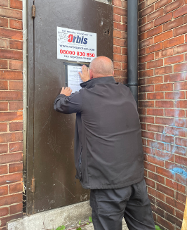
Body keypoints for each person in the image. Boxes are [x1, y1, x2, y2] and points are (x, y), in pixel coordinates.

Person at [54, 56, 155, 230]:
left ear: (91, 73)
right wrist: (89, 83)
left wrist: (63, 95)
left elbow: (61, 105)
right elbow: (99, 95)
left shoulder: (85, 96)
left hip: (107, 184)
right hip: (135, 180)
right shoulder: (126, 92)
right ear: (113, 73)